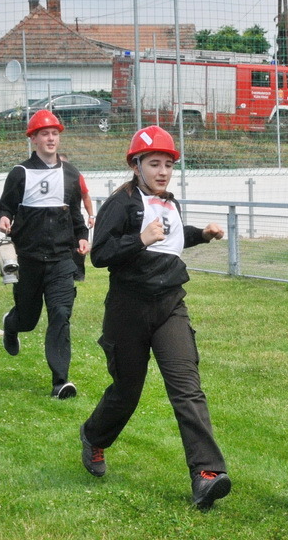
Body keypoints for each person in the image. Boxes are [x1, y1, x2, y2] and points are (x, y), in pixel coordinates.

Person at [79, 125, 232, 511]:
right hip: (127, 310)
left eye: (168, 165)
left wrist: (203, 233)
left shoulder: (170, 203)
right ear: (136, 165)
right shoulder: (122, 203)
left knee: (186, 388)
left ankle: (207, 475)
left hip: (170, 306)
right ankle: (94, 437)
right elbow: (100, 254)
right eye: (154, 164)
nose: (163, 172)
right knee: (127, 392)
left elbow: (171, 240)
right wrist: (139, 240)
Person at [0, 109, 90, 399]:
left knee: (60, 314)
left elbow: (75, 215)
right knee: (29, 320)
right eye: (44, 133)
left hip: (61, 259)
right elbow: (2, 207)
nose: (50, 138)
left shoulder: (70, 174)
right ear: (33, 138)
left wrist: (82, 237)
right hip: (29, 260)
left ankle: (60, 382)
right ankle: (12, 323)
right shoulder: (20, 173)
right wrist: (3, 219)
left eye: (54, 133)